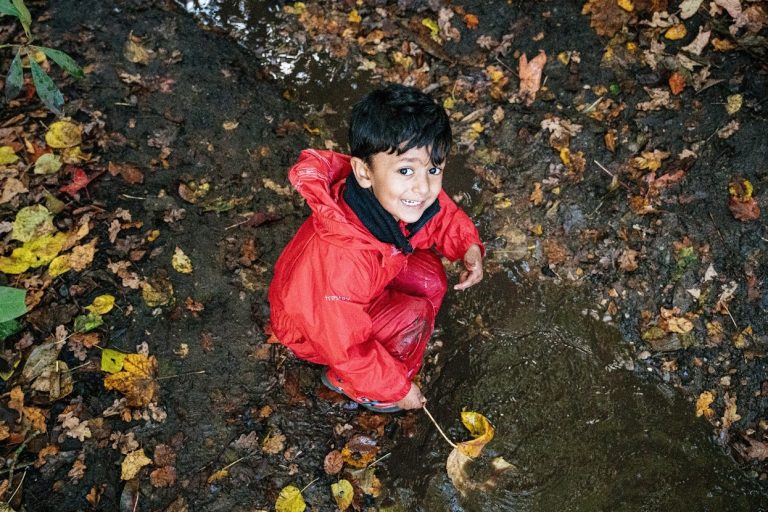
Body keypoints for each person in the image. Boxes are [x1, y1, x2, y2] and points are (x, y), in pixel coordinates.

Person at [268, 84, 484, 413]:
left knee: (431, 280)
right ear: (363, 172)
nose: (423, 186)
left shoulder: (392, 201)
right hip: (314, 330)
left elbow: (439, 215)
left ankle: (392, 349)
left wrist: (468, 246)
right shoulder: (341, 262)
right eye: (406, 170)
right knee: (415, 317)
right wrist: (398, 387)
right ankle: (357, 384)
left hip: (360, 290)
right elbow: (347, 347)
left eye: (433, 169)